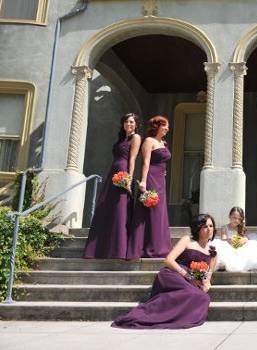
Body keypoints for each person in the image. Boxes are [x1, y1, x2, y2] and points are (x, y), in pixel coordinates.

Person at [112, 214, 217, 329]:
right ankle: (147, 315)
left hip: (191, 279)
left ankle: (174, 318)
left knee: (203, 297)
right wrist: (187, 275)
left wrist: (206, 283)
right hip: (173, 274)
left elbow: (208, 274)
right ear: (198, 228)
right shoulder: (187, 240)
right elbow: (169, 260)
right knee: (191, 292)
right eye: (205, 226)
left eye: (211, 226)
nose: (209, 229)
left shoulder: (213, 251)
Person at [84, 113, 141, 259]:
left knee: (120, 209)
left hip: (123, 173)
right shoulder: (122, 139)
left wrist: (128, 178)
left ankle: (118, 249)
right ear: (123, 124)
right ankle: (101, 249)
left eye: (131, 122)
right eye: (126, 122)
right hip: (113, 173)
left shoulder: (136, 138)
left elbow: (133, 159)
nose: (129, 124)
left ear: (136, 124)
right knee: (107, 208)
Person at [126, 115, 172, 259]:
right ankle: (145, 247)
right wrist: (144, 182)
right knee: (150, 211)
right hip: (151, 178)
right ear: (157, 126)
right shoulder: (148, 141)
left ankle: (160, 246)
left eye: (167, 126)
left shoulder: (163, 142)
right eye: (165, 126)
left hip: (161, 180)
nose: (167, 129)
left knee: (159, 212)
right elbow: (146, 163)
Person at [210, 207, 257, 272]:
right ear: (229, 216)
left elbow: (245, 237)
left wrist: (244, 240)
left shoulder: (241, 228)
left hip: (239, 248)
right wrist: (228, 239)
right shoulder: (225, 227)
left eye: (239, 219)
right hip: (228, 247)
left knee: (250, 244)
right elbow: (223, 238)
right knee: (221, 247)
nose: (236, 220)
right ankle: (224, 264)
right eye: (234, 218)